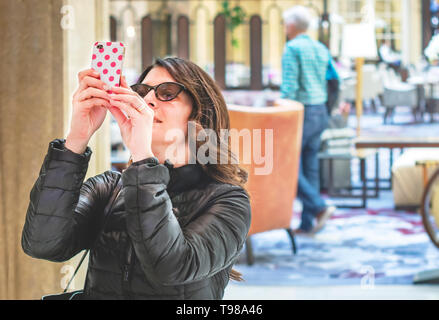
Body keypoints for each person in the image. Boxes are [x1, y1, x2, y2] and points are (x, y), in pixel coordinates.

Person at [21, 57, 251, 300]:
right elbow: (42, 244)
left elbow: (170, 267)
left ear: (200, 113)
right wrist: (76, 139)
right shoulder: (110, 188)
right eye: (142, 91)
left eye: (167, 92)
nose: (148, 99)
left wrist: (143, 157)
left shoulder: (229, 201)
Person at [281, 6, 337, 235]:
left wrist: (280, 111)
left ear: (291, 26)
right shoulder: (320, 48)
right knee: (310, 168)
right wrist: (328, 109)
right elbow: (334, 80)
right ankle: (307, 224)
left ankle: (319, 206)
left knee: (284, 165)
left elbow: (290, 88)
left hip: (301, 114)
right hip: (321, 112)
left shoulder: (292, 49)